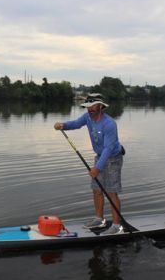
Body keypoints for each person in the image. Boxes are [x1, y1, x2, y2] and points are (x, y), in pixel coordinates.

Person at [54, 93, 124, 234]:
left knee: (111, 192)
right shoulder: (87, 118)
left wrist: (97, 168)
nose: (90, 109)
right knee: (97, 190)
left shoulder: (109, 124)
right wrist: (63, 125)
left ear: (100, 106)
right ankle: (100, 220)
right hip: (100, 156)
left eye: (93, 106)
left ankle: (117, 226)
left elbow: (108, 149)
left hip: (113, 158)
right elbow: (75, 124)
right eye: (87, 106)